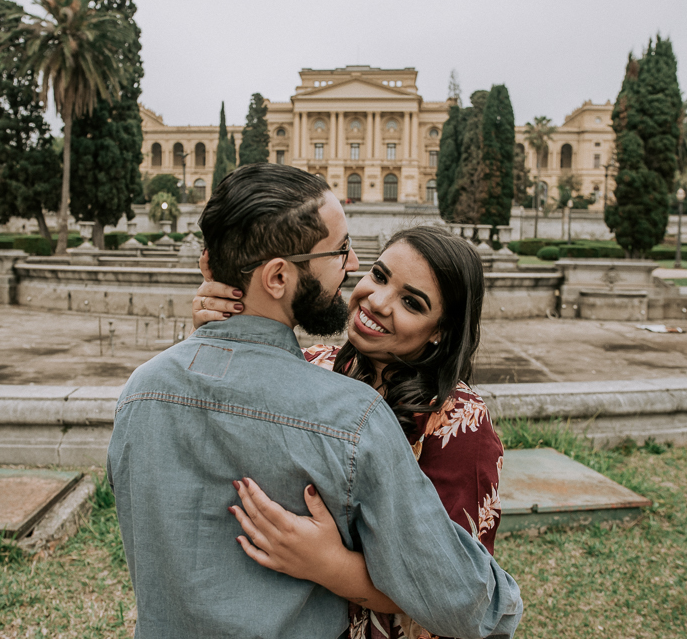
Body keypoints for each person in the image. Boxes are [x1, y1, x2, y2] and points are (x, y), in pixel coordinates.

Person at [108, 163, 521, 639]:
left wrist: (204, 352)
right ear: (278, 277)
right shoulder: (349, 407)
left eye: (412, 302)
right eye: (345, 253)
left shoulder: (141, 390)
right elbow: (464, 600)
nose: (354, 270)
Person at [194, 224, 505, 639]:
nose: (377, 301)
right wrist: (218, 329)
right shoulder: (310, 365)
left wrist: (330, 565)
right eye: (379, 275)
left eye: (411, 302)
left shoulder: (457, 422)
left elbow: (453, 589)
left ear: (440, 332)